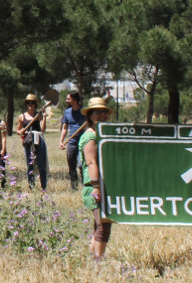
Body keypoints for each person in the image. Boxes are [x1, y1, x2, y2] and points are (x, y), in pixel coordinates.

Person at [79, 97, 114, 260]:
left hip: (102, 184)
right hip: (93, 186)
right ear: (90, 115)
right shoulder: (90, 136)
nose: (102, 115)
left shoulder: (101, 134)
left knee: (99, 225)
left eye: (104, 112)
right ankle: (98, 260)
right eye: (97, 112)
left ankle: (93, 257)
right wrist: (96, 187)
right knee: (103, 224)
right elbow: (91, 162)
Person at [16, 94, 49, 190]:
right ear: (26, 104)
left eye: (32, 102)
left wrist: (44, 118)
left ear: (35, 104)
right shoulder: (22, 117)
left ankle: (44, 187)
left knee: (41, 164)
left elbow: (43, 129)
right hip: (28, 141)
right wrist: (20, 131)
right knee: (30, 165)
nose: (30, 104)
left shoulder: (38, 116)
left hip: (38, 140)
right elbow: (18, 130)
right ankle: (31, 187)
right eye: (28, 103)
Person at [58, 92, 87, 190]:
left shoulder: (84, 112)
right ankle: (74, 186)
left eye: (68, 99)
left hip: (83, 143)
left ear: (74, 100)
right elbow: (65, 128)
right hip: (72, 142)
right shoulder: (67, 112)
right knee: (71, 166)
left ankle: (85, 185)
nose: (66, 101)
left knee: (81, 165)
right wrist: (61, 141)